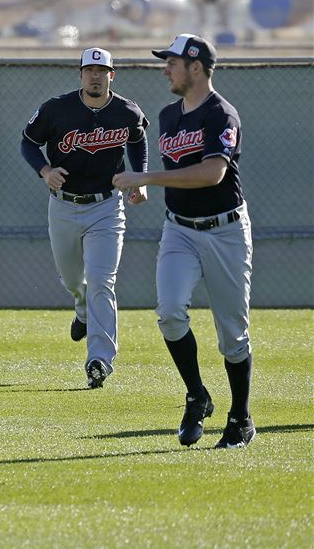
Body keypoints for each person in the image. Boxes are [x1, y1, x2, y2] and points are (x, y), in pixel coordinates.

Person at [113, 34, 256, 449]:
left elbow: (212, 173)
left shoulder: (221, 114)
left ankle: (241, 418)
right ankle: (197, 397)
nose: (165, 69)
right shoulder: (168, 115)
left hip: (226, 230)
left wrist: (146, 178)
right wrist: (145, 185)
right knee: (170, 312)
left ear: (196, 67)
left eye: (172, 62)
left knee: (233, 335)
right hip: (179, 229)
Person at [21, 47, 149, 389]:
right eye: (89, 70)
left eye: (102, 70)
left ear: (112, 75)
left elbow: (138, 138)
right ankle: (81, 309)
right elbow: (28, 144)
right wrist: (45, 170)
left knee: (102, 280)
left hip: (107, 207)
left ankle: (100, 360)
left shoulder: (126, 110)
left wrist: (140, 176)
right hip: (63, 205)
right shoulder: (56, 109)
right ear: (80, 74)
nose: (95, 75)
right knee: (72, 279)